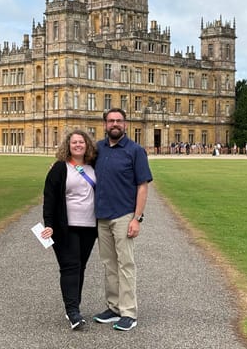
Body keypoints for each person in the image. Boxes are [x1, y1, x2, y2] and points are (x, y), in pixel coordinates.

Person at [92, 108, 153, 331]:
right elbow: (79, 165)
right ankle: (114, 307)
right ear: (105, 125)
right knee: (109, 264)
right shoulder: (98, 148)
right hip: (102, 215)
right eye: (110, 121)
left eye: (118, 121)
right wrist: (59, 168)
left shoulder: (135, 150)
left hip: (124, 215)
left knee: (125, 264)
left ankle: (129, 312)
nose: (114, 124)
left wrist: (137, 218)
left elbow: (143, 186)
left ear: (125, 125)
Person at [41, 130, 98, 330]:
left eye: (81, 142)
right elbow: (49, 198)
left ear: (87, 145)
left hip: (90, 226)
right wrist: (48, 224)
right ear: (68, 145)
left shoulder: (93, 166)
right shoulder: (59, 168)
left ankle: (74, 306)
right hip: (65, 226)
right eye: (74, 142)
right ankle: (73, 311)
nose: (78, 145)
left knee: (80, 266)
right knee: (70, 266)